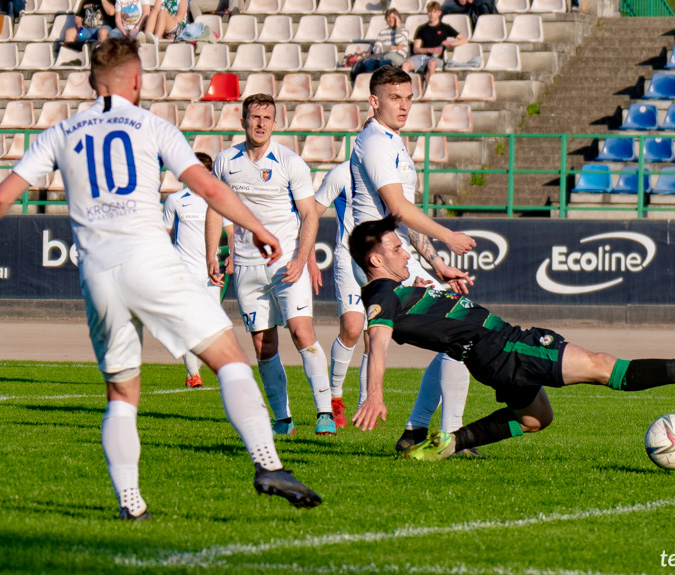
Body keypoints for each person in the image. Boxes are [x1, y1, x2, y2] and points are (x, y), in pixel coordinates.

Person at [0, 37, 321, 518]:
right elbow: (206, 186)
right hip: (149, 260)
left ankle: (131, 503)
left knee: (122, 394)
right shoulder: (151, 125)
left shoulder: (61, 132)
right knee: (228, 358)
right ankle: (267, 463)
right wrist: (258, 228)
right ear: (137, 81)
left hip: (98, 275)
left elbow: (1, 196)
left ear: (89, 81)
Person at [348, 215, 675, 461]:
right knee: (602, 365)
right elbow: (377, 341)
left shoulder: (394, 289)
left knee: (537, 419)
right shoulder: (382, 294)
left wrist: (441, 277)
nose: (406, 254)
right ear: (376, 260)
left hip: (491, 358)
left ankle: (448, 444)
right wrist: (375, 393)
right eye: (397, 249)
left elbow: (422, 316)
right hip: (506, 346)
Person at [350, 65, 478, 455]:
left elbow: (405, 217)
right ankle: (447, 435)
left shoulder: (393, 141)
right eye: (394, 98)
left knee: (459, 335)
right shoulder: (374, 143)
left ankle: (418, 432)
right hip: (382, 264)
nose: (404, 105)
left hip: (402, 258)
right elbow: (399, 208)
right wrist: (448, 236)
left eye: (408, 98)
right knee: (462, 332)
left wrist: (436, 263)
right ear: (374, 102)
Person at [205, 93, 336, 437]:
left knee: (301, 332)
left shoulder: (290, 162)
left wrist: (300, 258)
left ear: (275, 123)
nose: (261, 124)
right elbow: (215, 209)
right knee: (264, 346)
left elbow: (309, 214)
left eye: (267, 118)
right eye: (255, 117)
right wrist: (213, 254)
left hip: (285, 266)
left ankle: (325, 412)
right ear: (243, 121)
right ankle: (283, 419)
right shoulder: (225, 161)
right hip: (248, 267)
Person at [310, 161, 368, 428]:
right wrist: (309, 255)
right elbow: (313, 212)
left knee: (376, 334)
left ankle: (364, 407)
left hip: (380, 262)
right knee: (353, 328)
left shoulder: (389, 170)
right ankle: (334, 399)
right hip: (349, 258)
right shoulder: (342, 173)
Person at [163, 151, 221, 389]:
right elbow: (164, 232)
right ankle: (193, 374)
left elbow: (229, 231)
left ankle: (194, 371)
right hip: (184, 270)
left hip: (211, 272)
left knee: (210, 327)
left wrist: (232, 255)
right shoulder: (175, 200)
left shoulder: (217, 199)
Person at [401, 1, 468, 88]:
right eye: (430, 12)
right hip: (420, 57)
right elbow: (416, 49)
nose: (432, 14)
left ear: (439, 13)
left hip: (435, 58)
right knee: (405, 65)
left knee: (431, 63)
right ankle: (405, 90)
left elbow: (464, 39)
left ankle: (429, 90)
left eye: (434, 12)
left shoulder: (445, 27)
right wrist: (430, 49)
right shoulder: (422, 29)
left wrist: (450, 43)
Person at [350, 8, 410, 84]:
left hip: (396, 58)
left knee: (382, 64)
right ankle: (369, 86)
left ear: (398, 19)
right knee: (367, 64)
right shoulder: (382, 33)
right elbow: (376, 50)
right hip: (381, 57)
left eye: (393, 17)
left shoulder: (403, 31)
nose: (391, 19)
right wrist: (392, 47)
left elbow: (398, 41)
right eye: (389, 17)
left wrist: (398, 26)